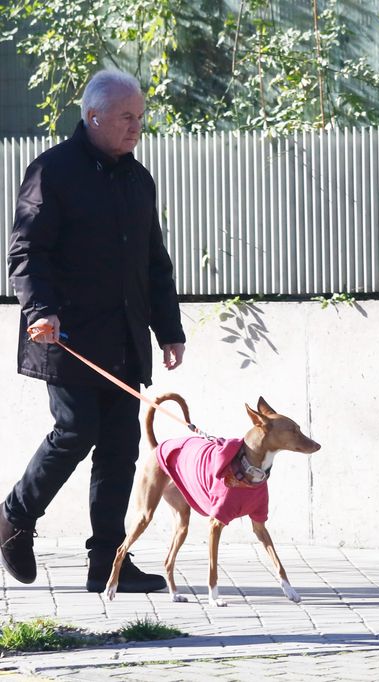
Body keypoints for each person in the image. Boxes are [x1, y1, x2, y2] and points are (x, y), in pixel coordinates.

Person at [0, 69, 186, 593]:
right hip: (66, 336)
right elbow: (27, 251)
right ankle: (13, 518)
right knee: (75, 430)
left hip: (124, 338)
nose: (137, 127)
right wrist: (41, 308)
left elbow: (153, 262)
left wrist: (169, 328)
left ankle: (109, 565)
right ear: (94, 115)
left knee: (121, 448)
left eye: (141, 117)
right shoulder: (52, 171)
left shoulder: (138, 178)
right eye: (128, 116)